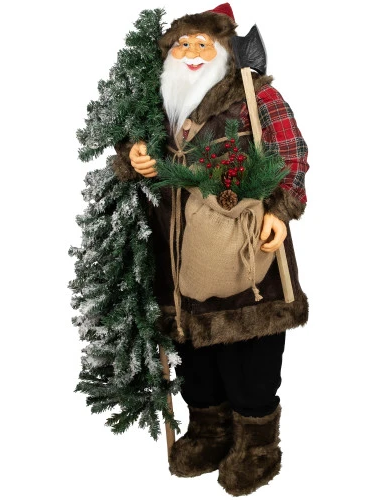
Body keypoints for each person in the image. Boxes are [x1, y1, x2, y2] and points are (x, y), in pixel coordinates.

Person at [111, 3, 309, 496]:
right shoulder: (158, 100)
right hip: (176, 248)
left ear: (224, 50)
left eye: (204, 44)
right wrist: (133, 154)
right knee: (193, 351)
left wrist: (279, 211)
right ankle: (207, 431)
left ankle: (256, 446)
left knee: (250, 353)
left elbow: (290, 153)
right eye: (183, 44)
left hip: (245, 246)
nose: (192, 53)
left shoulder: (257, 96)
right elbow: (131, 142)